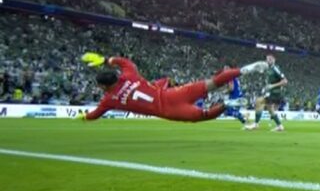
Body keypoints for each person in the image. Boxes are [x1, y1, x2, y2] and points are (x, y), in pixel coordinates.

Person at [78, 53, 264, 122]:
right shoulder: (129, 75)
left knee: (204, 115)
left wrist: (84, 117)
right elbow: (125, 62)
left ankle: (226, 104)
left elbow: (94, 115)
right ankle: (244, 70)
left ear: (103, 86)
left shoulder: (109, 99)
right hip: (173, 93)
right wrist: (106, 60)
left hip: (168, 109)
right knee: (213, 82)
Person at [247, 54, 288, 132]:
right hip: (271, 92)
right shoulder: (268, 69)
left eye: (270, 59)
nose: (268, 61)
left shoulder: (275, 68)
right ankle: (280, 126)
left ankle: (256, 124)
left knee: (259, 102)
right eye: (267, 59)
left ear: (274, 60)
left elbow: (285, 81)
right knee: (270, 109)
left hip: (275, 92)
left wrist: (272, 86)